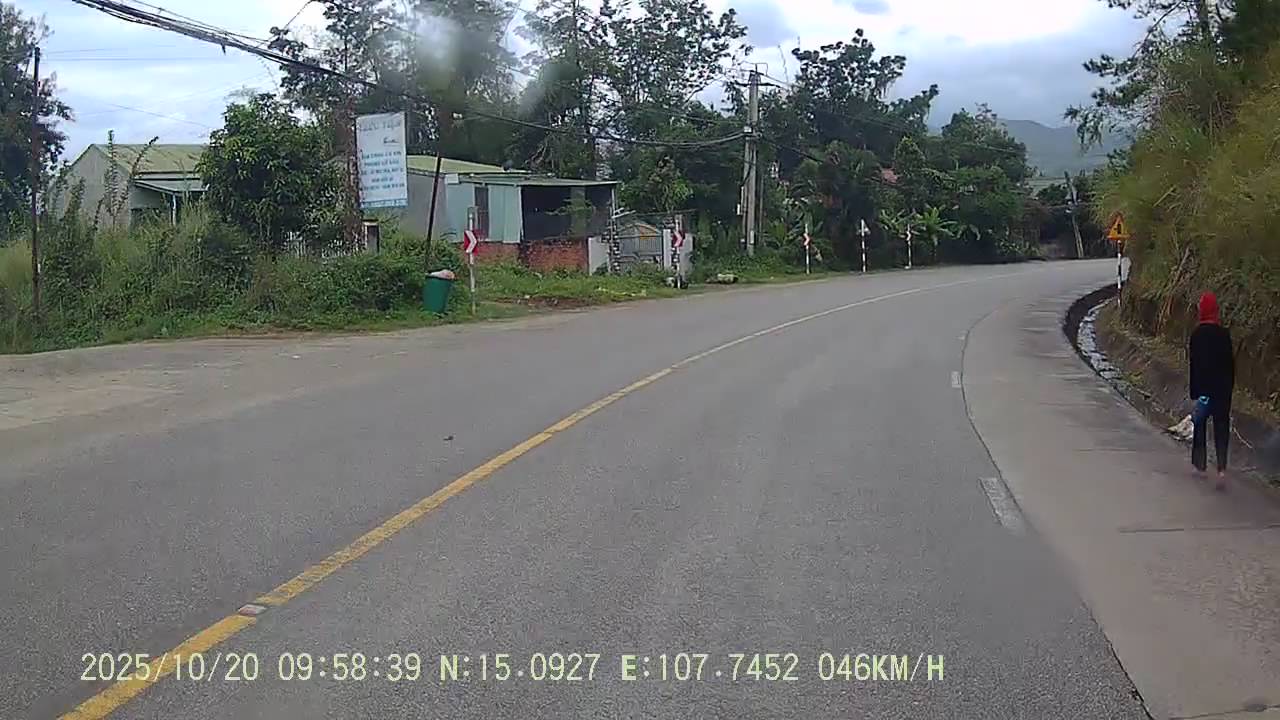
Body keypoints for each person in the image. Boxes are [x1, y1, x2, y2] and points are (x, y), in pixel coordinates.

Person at [1188, 291, 1235, 490]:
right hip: (1222, 390)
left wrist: (1194, 392)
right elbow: (1230, 365)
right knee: (1221, 427)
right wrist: (1229, 389)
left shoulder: (1197, 335)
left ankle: (1200, 465)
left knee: (1199, 424)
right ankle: (1222, 469)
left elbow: (1194, 366)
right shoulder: (1224, 335)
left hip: (1204, 390)